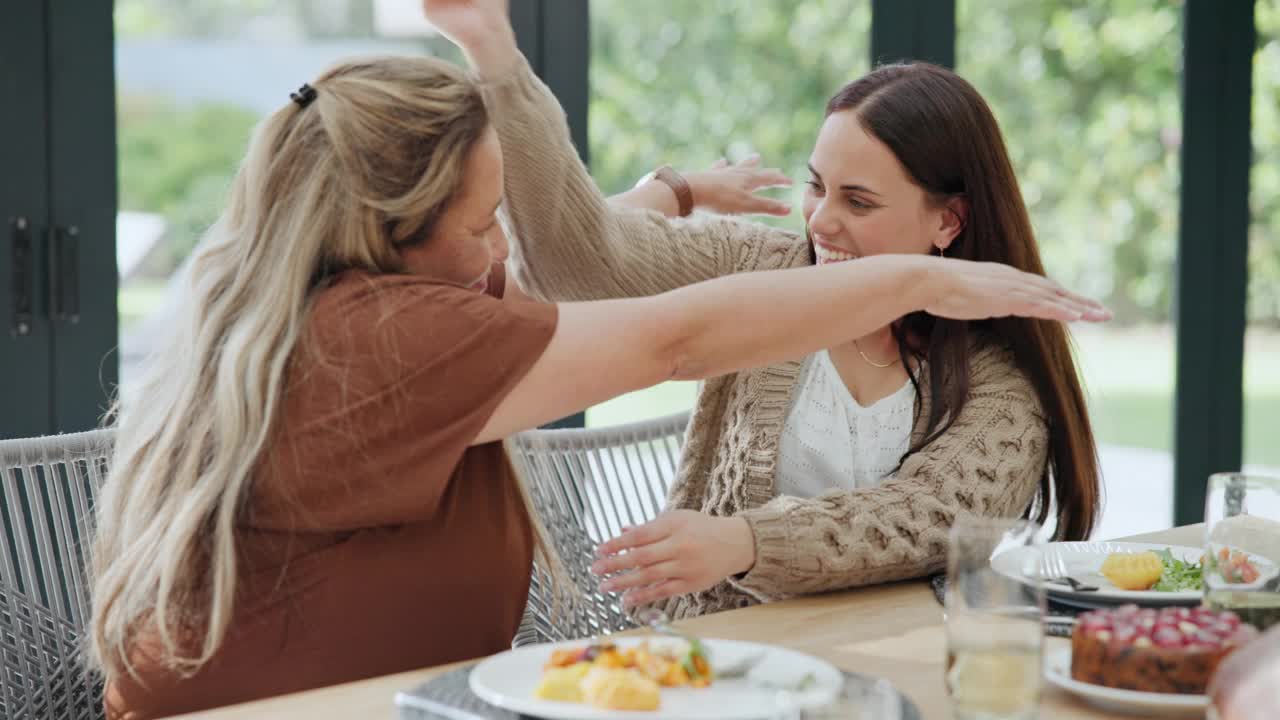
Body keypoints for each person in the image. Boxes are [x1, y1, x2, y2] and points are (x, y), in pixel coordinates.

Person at [87, 2, 1105, 716]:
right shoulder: (387, 340)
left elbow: (573, 269)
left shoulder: (355, 310)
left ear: (948, 218)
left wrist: (666, 191)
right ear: (388, 230)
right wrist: (916, 281)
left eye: (859, 202)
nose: (502, 254)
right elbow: (658, 322)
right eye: (486, 223)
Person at [432, 1, 1106, 617]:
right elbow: (577, 262)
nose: (822, 222)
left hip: (898, 669)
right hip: (712, 664)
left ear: (948, 222)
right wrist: (495, 55)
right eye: (817, 187)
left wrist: (747, 541)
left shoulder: (1000, 379)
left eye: (859, 201)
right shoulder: (760, 269)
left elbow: (927, 517)